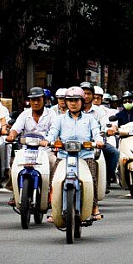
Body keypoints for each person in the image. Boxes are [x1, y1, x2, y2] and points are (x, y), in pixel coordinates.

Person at [45, 86, 104, 220]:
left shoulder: (90, 119)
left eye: (76, 100)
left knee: (92, 178)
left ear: (82, 102)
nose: (73, 103)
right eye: (70, 100)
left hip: (84, 155)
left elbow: (96, 132)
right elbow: (53, 132)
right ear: (66, 102)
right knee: (54, 180)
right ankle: (54, 209)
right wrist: (48, 141)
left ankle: (94, 206)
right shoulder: (59, 119)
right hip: (64, 156)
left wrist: (99, 140)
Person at [5, 87, 56, 206]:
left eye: (38, 99)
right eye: (33, 100)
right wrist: (11, 136)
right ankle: (16, 192)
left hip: (45, 150)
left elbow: (55, 130)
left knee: (53, 162)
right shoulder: (25, 114)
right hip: (27, 150)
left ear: (44, 100)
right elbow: (15, 129)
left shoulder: (51, 114)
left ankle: (51, 191)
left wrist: (49, 141)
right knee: (14, 164)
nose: (36, 103)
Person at [82, 82, 119, 186]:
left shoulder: (100, 111)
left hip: (96, 144)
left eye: (89, 93)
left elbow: (105, 125)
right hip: (76, 145)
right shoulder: (73, 110)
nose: (86, 96)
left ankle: (107, 177)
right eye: (84, 93)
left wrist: (108, 130)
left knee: (114, 153)